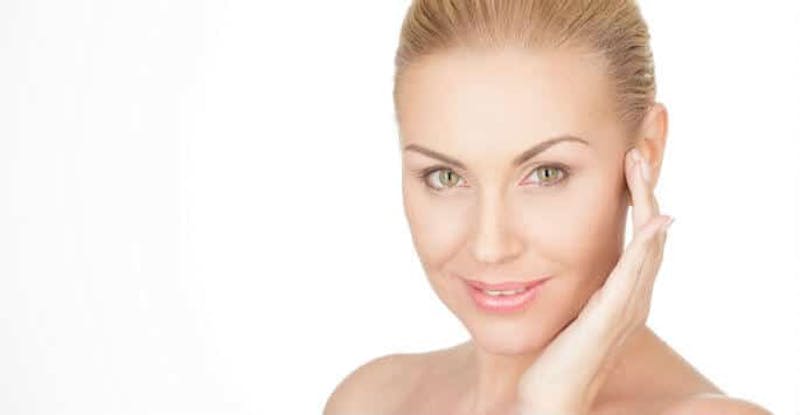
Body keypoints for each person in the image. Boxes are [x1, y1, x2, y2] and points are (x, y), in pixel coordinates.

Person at [325, 0, 773, 414]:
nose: (489, 247)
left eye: (546, 174)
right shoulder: (371, 401)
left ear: (647, 150)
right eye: (445, 177)